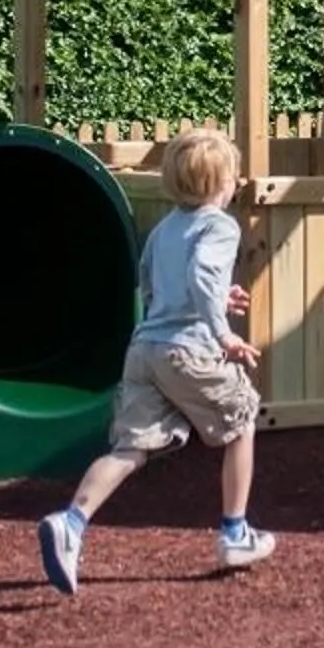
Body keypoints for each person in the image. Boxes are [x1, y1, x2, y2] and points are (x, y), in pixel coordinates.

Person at [37, 127, 272, 594]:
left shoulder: (165, 228)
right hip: (190, 349)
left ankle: (72, 522)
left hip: (145, 350)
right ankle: (234, 533)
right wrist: (223, 331)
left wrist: (217, 300)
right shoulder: (219, 225)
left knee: (129, 449)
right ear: (223, 182)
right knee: (243, 420)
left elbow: (154, 287)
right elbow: (203, 276)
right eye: (234, 178)